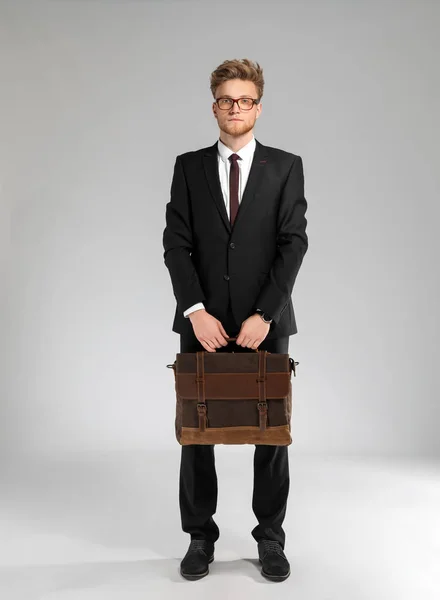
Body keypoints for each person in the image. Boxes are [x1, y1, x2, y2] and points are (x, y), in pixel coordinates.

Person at [162, 58, 308, 582]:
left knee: (271, 434)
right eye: (226, 99)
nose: (235, 108)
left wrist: (265, 313)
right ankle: (200, 537)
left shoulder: (286, 166)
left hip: (266, 322)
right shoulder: (188, 166)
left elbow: (294, 243)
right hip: (201, 323)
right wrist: (195, 311)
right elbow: (176, 243)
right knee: (196, 433)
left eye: (245, 99)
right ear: (215, 106)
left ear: (258, 106)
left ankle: (270, 538)